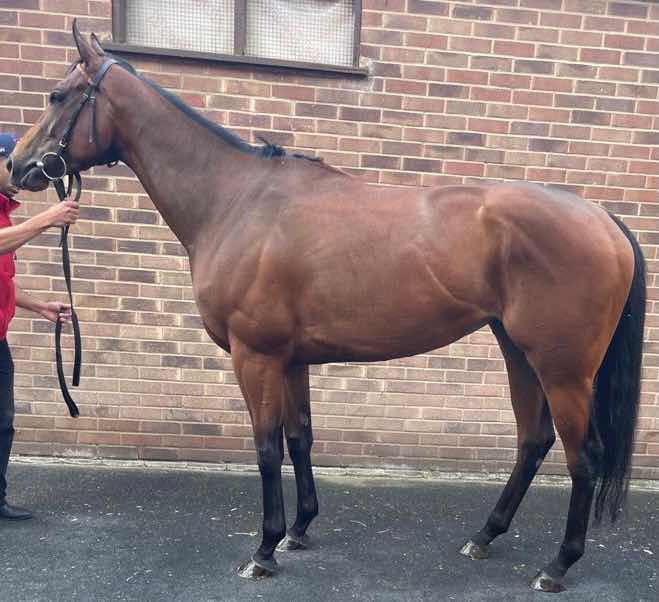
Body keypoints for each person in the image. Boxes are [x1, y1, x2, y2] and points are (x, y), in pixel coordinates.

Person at [0, 133, 80, 520]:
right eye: (9, 163)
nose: (16, 172)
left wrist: (40, 307)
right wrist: (48, 218)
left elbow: (3, 280)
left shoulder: (4, 212)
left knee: (2, 422)